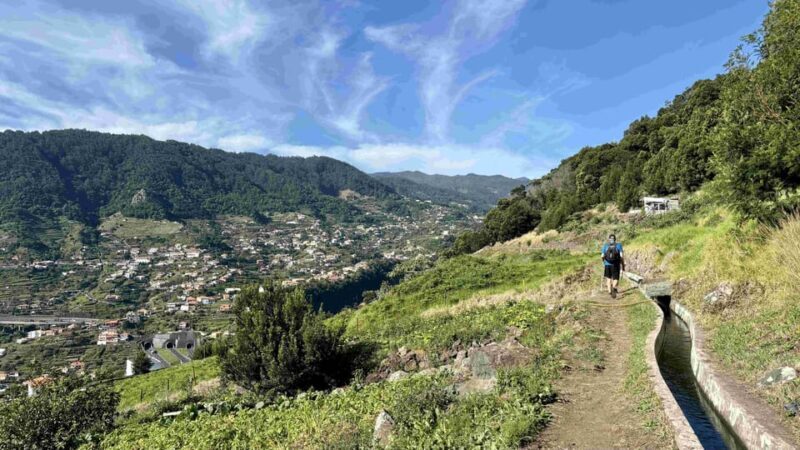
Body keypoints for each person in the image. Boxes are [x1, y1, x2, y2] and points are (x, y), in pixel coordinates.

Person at [601, 234, 624, 298]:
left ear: (609, 239)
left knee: (608, 278)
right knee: (616, 278)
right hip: (616, 264)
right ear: (615, 239)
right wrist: (622, 264)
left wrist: (604, 262)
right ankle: (613, 288)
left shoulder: (605, 246)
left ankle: (609, 292)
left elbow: (602, 256)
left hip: (607, 264)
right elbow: (621, 256)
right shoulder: (619, 245)